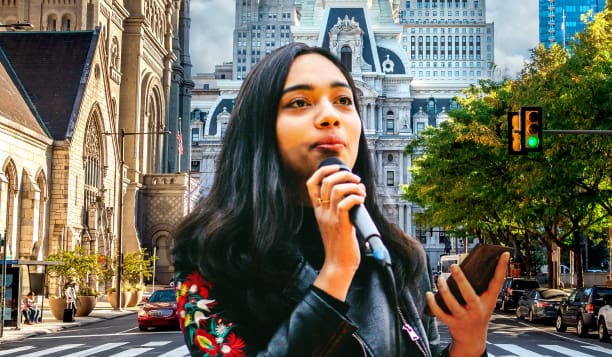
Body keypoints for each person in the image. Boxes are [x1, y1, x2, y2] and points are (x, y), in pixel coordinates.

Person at [173, 42, 509, 356]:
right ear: (261, 128)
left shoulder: (399, 255)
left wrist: (468, 343)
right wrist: (336, 271)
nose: (330, 116)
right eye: (300, 102)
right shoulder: (207, 252)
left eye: (344, 101)